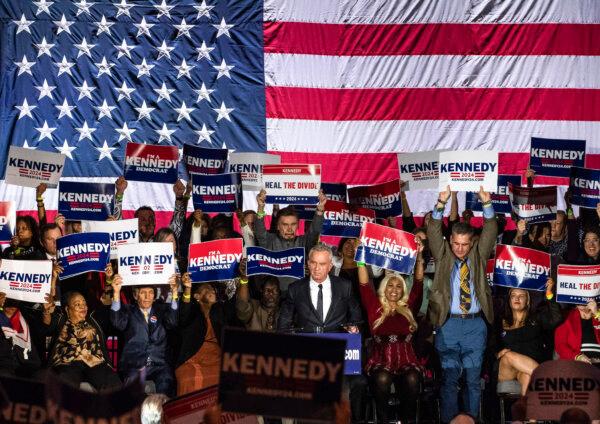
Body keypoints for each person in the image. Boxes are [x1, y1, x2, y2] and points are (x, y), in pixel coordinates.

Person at [427, 185, 497, 422]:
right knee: (448, 379)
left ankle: (471, 421)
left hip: (475, 326)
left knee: (472, 379)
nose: (459, 248)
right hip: (448, 325)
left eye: (464, 244)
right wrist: (441, 203)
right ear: (451, 241)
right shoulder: (443, 255)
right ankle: (449, 421)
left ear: (472, 242)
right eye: (456, 243)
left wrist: (487, 204)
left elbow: (490, 229)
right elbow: (434, 231)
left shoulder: (478, 255)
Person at [357, 238, 425, 423]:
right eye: (390, 285)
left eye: (398, 286)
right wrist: (361, 257)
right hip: (381, 358)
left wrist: (419, 255)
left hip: (407, 358)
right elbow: (363, 285)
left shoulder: (409, 307)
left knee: (412, 378)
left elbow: (418, 283)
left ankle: (408, 420)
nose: (394, 290)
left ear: (403, 290)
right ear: (383, 288)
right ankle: (383, 420)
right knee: (382, 379)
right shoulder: (374, 307)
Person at [110, 274, 179, 396]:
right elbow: (117, 324)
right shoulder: (128, 310)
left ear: (155, 295)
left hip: (159, 363)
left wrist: (174, 292)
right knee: (131, 394)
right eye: (143, 293)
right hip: (134, 364)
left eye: (151, 292)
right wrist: (116, 292)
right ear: (135, 295)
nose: (147, 297)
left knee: (166, 383)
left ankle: (164, 414)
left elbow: (172, 323)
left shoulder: (162, 310)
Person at [174, 274, 238, 395]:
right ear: (197, 296)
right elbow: (183, 315)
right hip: (192, 357)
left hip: (217, 356)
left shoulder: (220, 310)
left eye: (212, 288)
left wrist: (240, 279)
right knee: (188, 377)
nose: (211, 290)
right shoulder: (191, 311)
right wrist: (187, 289)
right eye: (206, 288)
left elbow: (236, 307)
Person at [44, 291, 121, 390]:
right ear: (68, 309)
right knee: (64, 381)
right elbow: (47, 325)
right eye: (77, 304)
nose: (83, 307)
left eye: (84, 303)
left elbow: (109, 315)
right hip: (68, 363)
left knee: (112, 381)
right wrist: (46, 311)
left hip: (94, 362)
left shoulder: (93, 319)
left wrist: (111, 290)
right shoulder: (60, 319)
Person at [254, 189, 327, 292]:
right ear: (278, 226)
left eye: (293, 224)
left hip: (299, 296)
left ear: (298, 225)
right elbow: (259, 231)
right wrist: (260, 207)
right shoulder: (269, 240)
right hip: (275, 297)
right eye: (285, 225)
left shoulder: (304, 242)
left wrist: (320, 210)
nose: (289, 229)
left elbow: (314, 231)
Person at [495, 285, 562, 395]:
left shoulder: (536, 318)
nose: (517, 299)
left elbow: (556, 319)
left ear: (527, 301)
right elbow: (490, 345)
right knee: (508, 355)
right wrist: (497, 353)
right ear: (509, 300)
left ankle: (526, 410)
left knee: (527, 377)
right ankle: (547, 379)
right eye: (513, 296)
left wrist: (549, 294)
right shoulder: (500, 321)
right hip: (507, 368)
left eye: (521, 296)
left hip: (527, 367)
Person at [555, 300, 600, 366]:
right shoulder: (567, 316)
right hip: (576, 364)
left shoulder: (598, 313)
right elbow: (560, 345)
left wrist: (597, 313)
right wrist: (577, 356)